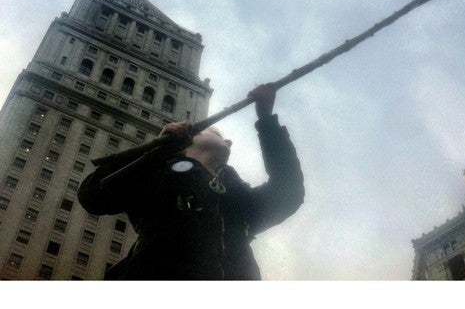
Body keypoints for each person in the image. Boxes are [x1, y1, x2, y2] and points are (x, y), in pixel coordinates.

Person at [77, 83, 304, 280]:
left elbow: (288, 192)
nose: (229, 140)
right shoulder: (157, 172)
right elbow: (93, 195)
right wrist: (159, 151)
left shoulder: (237, 195)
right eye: (217, 133)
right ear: (191, 139)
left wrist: (266, 121)